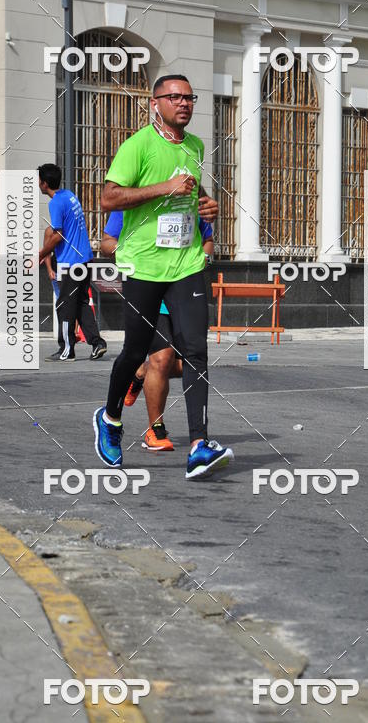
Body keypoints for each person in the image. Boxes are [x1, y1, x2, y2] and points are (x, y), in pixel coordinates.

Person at [93, 73, 233, 480]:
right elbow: (108, 198)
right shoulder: (138, 145)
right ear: (155, 103)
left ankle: (198, 445)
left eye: (189, 97)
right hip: (143, 264)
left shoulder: (195, 146)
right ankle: (112, 419)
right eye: (174, 97)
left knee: (195, 349)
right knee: (137, 352)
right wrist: (163, 188)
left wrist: (207, 207)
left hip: (186, 263)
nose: (184, 103)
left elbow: (191, 193)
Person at [100, 209, 214, 451]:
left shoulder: (189, 194)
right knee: (162, 358)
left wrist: (203, 259)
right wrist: (133, 256)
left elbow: (207, 239)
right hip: (149, 292)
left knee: (190, 363)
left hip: (184, 290)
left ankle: (141, 372)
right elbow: (107, 243)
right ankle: (155, 429)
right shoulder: (136, 197)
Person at [38, 164, 107, 362]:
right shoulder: (69, 195)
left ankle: (66, 350)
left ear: (44, 183)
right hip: (85, 258)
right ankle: (97, 343)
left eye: (39, 181)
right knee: (81, 303)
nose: (38, 184)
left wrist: (41, 253)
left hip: (70, 263)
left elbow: (57, 235)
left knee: (65, 305)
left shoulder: (55, 203)